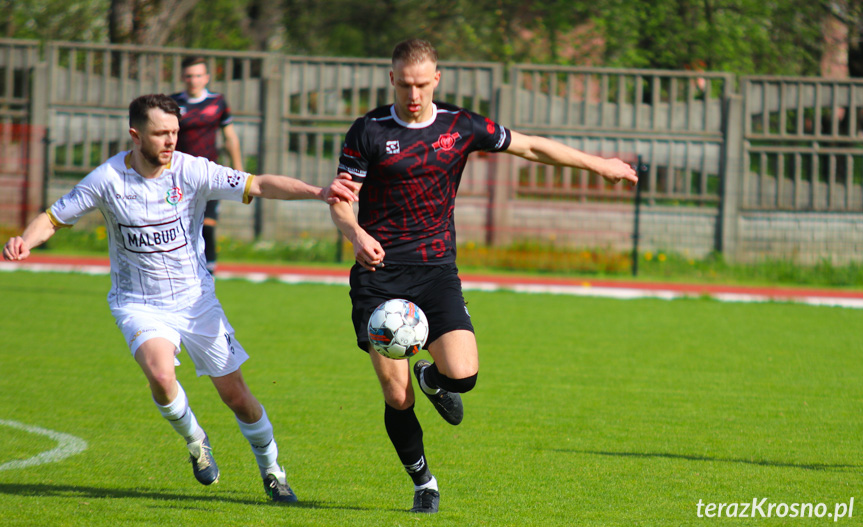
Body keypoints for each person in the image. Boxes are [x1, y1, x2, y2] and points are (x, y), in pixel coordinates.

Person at [328, 39, 638, 514]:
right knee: (395, 391)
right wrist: (355, 234)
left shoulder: (460, 125)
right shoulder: (367, 131)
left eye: (422, 83)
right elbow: (342, 199)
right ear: (392, 79)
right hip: (380, 276)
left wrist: (602, 165)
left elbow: (530, 145)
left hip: (436, 273)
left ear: (437, 78)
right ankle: (423, 482)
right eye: (405, 84)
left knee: (464, 376)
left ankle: (433, 378)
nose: (413, 94)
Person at [3, 94, 359, 503]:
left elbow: (256, 183)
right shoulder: (106, 180)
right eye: (161, 133)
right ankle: (196, 441)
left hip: (196, 301)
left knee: (237, 398)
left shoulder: (192, 170)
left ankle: (273, 470)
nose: (171, 141)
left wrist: (318, 191)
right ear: (136, 135)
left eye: (175, 132)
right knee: (160, 373)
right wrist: (23, 241)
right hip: (137, 302)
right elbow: (53, 218)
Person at [171, 56, 243, 274]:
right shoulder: (172, 103)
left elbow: (230, 137)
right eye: (189, 76)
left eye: (198, 75)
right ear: (183, 78)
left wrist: (238, 170)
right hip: (178, 175)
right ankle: (178, 272)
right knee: (178, 227)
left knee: (208, 226)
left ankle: (209, 274)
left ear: (207, 78)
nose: (194, 80)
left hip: (210, 175)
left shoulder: (217, 102)